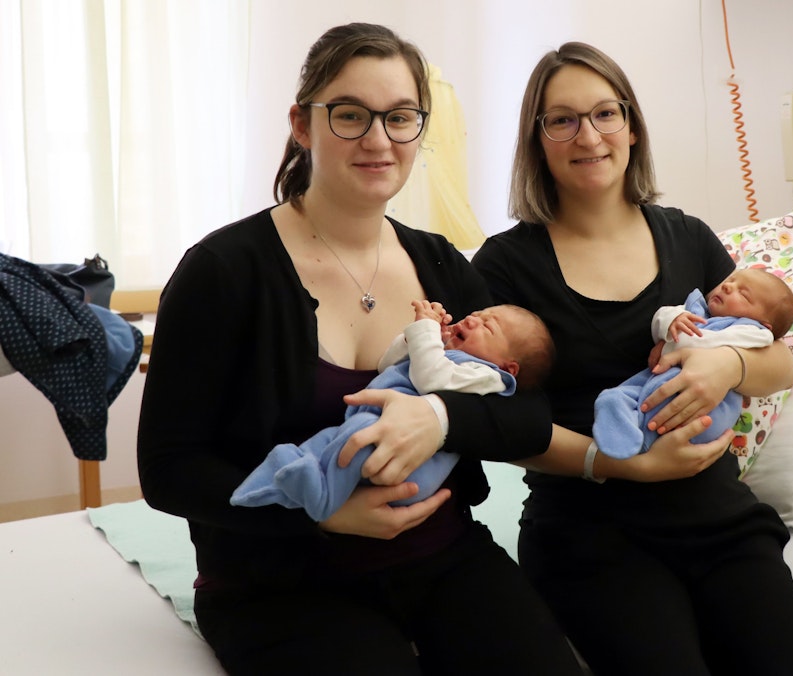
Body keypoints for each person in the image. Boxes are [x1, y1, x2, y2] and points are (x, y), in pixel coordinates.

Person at [137, 23, 584, 676]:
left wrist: (438, 417)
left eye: (400, 117)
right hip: (281, 583)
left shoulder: (443, 268)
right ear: (302, 124)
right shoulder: (223, 272)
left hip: (445, 559)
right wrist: (322, 516)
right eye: (350, 115)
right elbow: (169, 469)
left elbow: (525, 413)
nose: (378, 139)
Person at [472, 41, 793, 675]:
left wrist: (730, 367)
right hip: (589, 535)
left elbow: (781, 364)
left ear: (632, 126)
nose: (588, 135)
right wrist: (621, 466)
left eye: (605, 113)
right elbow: (493, 425)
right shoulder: (505, 266)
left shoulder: (687, 237)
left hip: (719, 521)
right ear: (537, 138)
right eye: (561, 119)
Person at [230, 300, 554, 521]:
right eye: (479, 313)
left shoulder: (486, 376)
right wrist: (417, 336)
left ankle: (324, 499)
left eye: (488, 326)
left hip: (408, 466)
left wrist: (427, 334)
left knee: (354, 441)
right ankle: (268, 485)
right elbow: (388, 366)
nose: (472, 319)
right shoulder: (445, 354)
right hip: (370, 431)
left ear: (508, 366)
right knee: (328, 440)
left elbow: (431, 380)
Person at [593, 268, 793, 457]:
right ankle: (620, 434)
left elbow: (703, 343)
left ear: (764, 323)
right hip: (654, 380)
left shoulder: (754, 332)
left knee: (689, 422)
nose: (727, 286)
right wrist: (671, 320)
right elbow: (660, 320)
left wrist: (670, 344)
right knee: (614, 397)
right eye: (731, 280)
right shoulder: (696, 309)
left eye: (743, 294)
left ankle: (638, 441)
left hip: (705, 404)